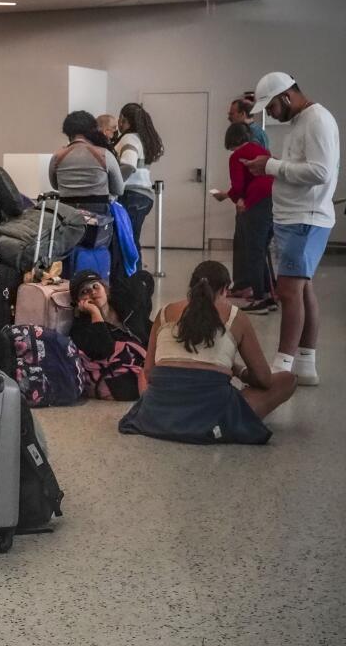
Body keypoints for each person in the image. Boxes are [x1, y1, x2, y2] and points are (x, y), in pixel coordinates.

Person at [119, 262, 297, 445]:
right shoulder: (235, 317)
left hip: (157, 414)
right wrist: (238, 371)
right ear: (225, 289)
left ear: (191, 286)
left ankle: (157, 412)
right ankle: (223, 421)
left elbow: (148, 371)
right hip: (212, 416)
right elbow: (264, 379)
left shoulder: (165, 313)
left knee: (144, 373)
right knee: (288, 380)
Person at [242, 72, 340, 385]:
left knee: (288, 291)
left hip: (305, 218)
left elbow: (320, 172)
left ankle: (282, 365)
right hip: (295, 217)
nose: (269, 114)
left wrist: (270, 166)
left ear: (286, 96)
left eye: (270, 107)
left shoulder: (316, 120)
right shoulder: (302, 121)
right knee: (302, 288)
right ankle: (305, 363)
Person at [213, 122, 275, 312]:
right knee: (261, 249)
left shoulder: (237, 156)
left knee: (253, 252)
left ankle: (259, 299)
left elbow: (238, 185)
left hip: (255, 203)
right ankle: (266, 294)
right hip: (273, 200)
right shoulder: (261, 150)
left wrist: (231, 197)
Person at [68, 270, 153, 401]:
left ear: (105, 289)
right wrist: (95, 313)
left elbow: (144, 277)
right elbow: (104, 350)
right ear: (79, 303)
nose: (92, 292)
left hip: (150, 359)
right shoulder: (81, 328)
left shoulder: (124, 307)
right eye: (84, 292)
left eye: (95, 286)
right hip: (131, 376)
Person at [49, 111, 125, 213]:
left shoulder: (57, 156)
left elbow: (55, 185)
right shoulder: (104, 155)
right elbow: (119, 189)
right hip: (98, 216)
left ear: (67, 132)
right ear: (93, 130)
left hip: (66, 215)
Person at [115, 103, 164, 253]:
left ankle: (132, 275)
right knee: (133, 240)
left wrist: (114, 185)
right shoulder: (144, 138)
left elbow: (128, 165)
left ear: (123, 119)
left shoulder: (128, 138)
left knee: (127, 243)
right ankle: (136, 275)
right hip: (144, 196)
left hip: (130, 196)